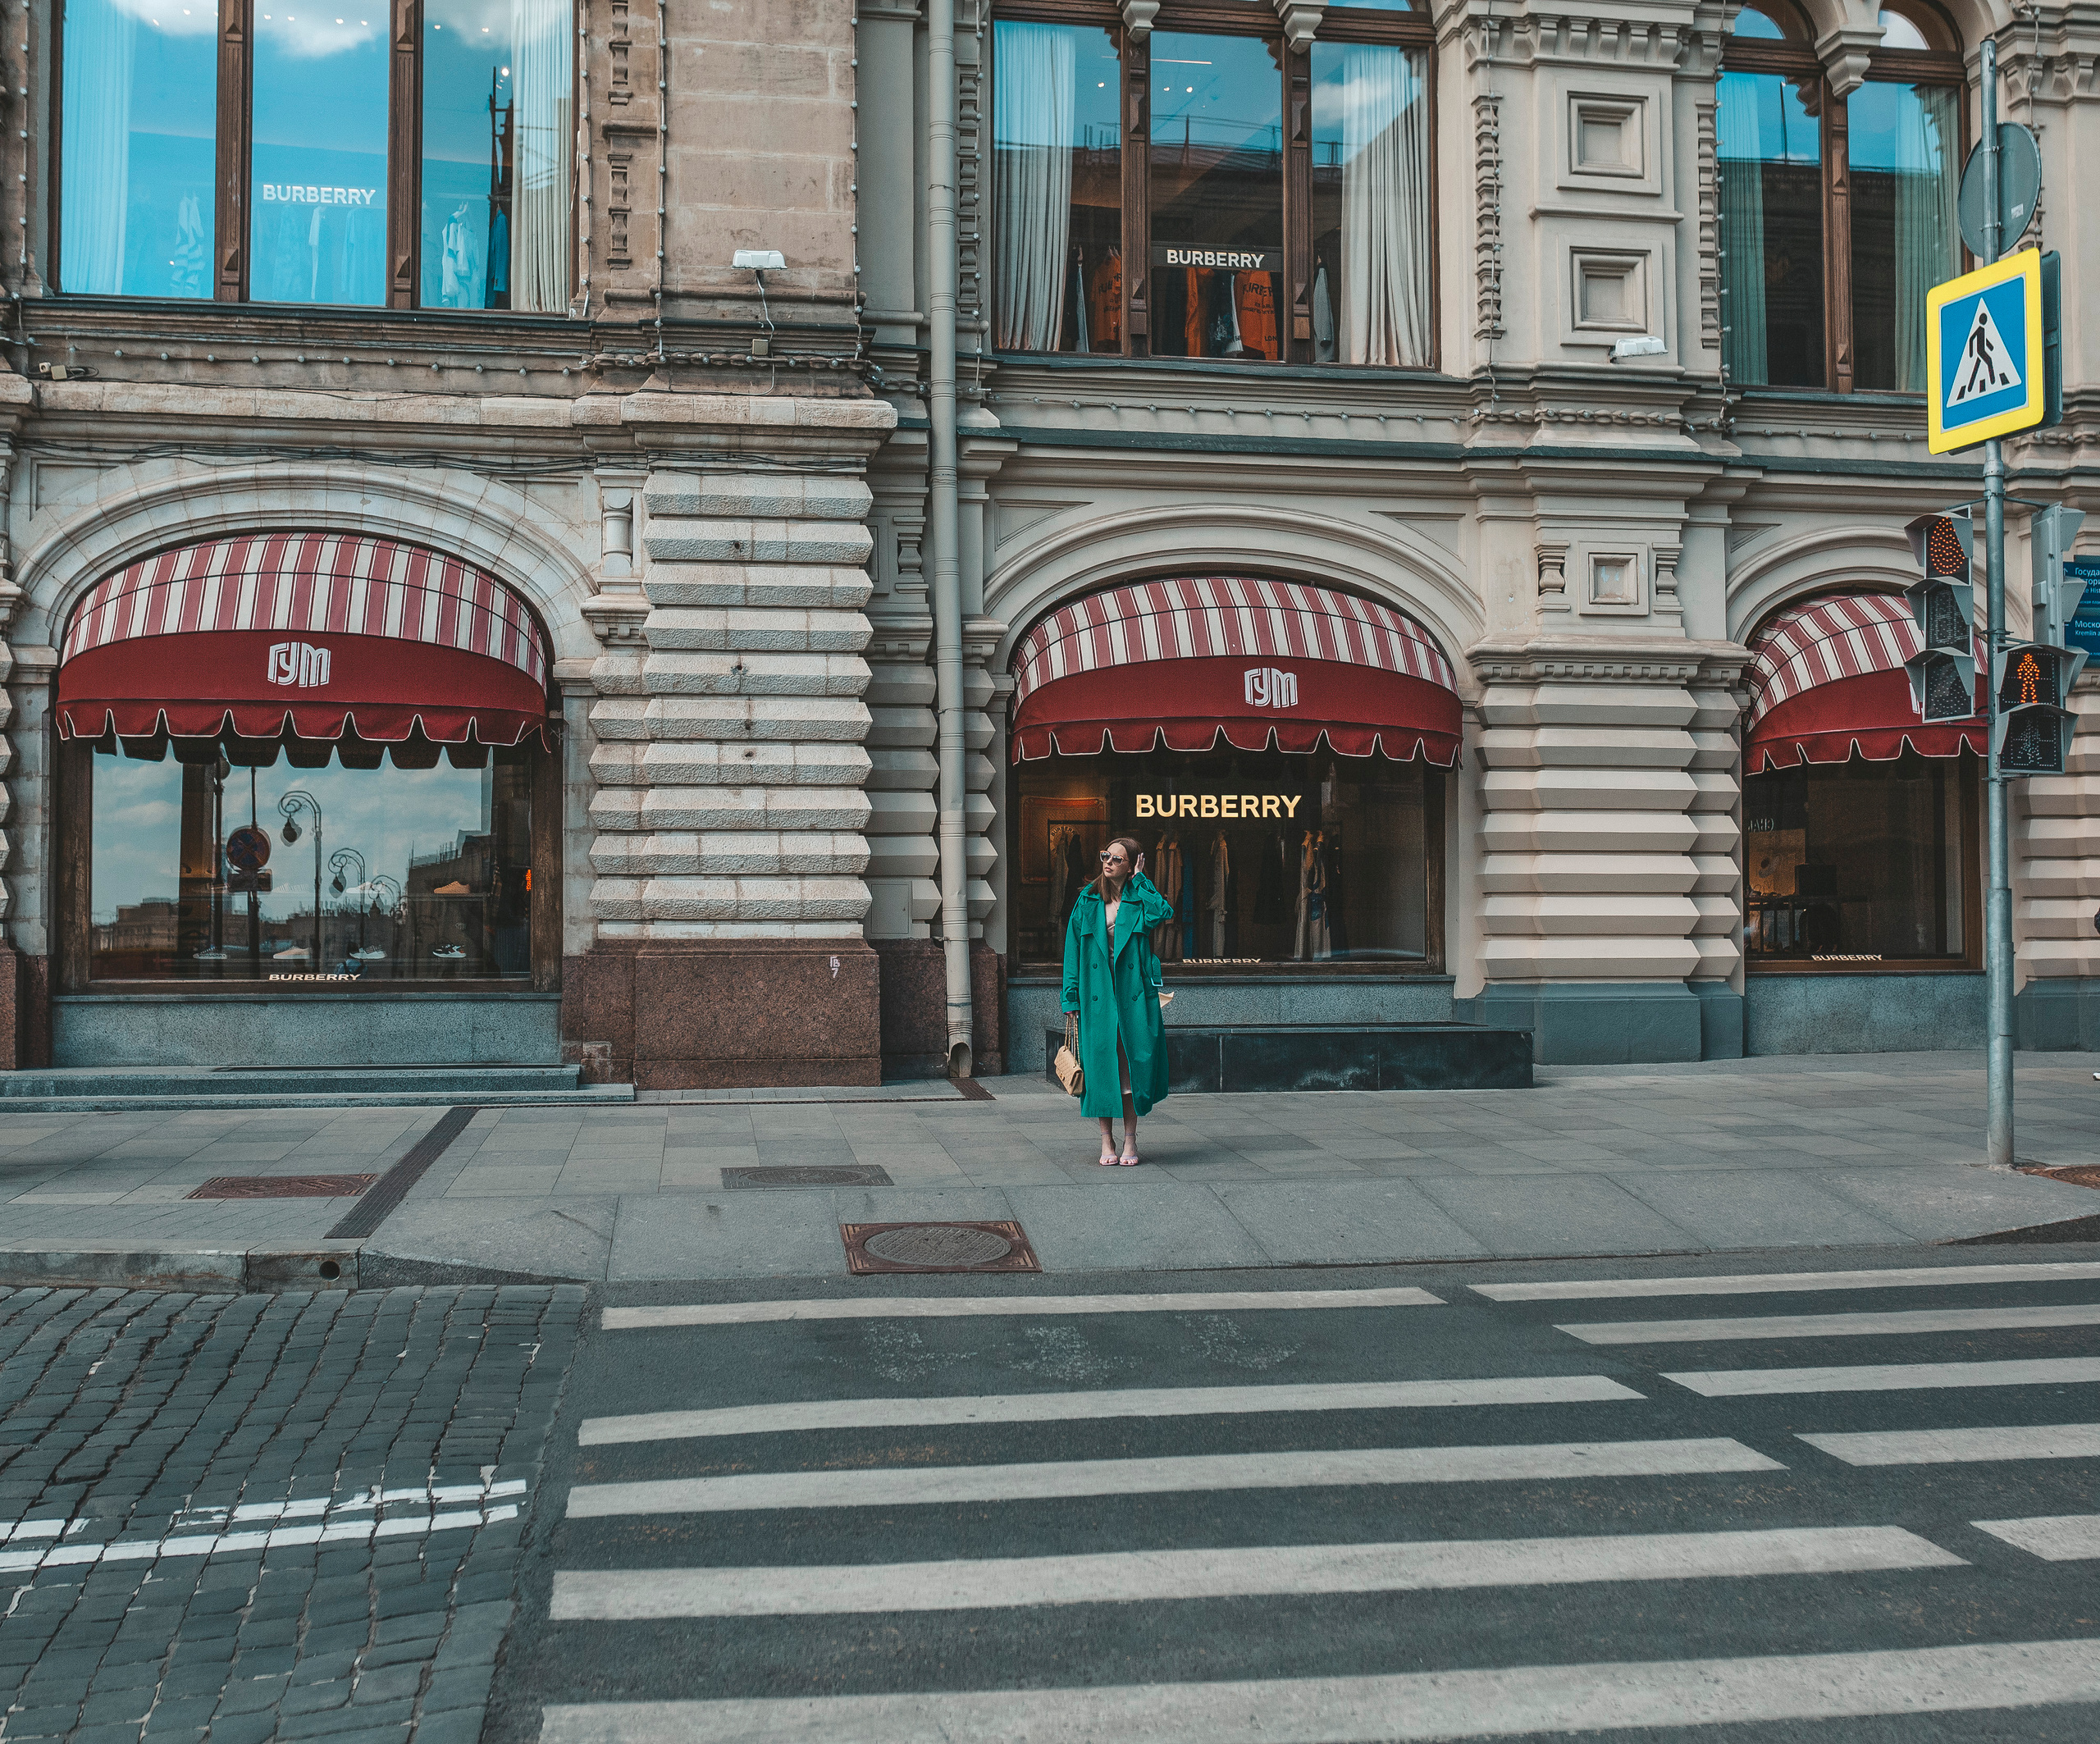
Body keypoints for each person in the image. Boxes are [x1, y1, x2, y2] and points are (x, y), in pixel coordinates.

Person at [1061, 835, 1175, 1165]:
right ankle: (1106, 1142)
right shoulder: (1087, 899)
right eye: (1105, 855)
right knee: (1100, 1072)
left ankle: (1130, 1141)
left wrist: (1141, 881)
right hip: (1096, 999)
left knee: (1130, 1072)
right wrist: (1070, 999)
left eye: (1116, 859)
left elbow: (1162, 912)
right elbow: (1072, 954)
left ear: (1131, 865)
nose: (1108, 862)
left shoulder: (1140, 899)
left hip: (1133, 998)